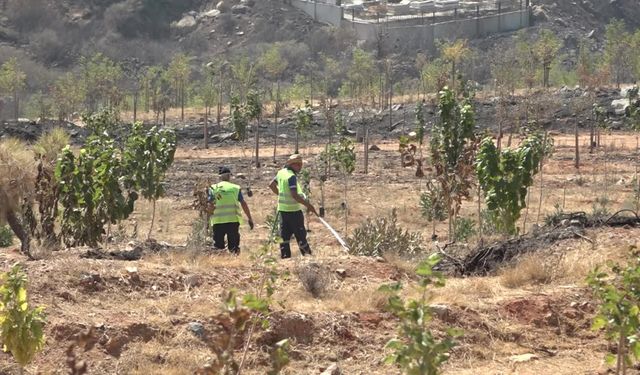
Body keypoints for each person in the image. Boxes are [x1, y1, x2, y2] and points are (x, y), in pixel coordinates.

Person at [269, 154, 318, 259]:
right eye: (299, 165)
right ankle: (308, 257)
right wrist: (309, 205)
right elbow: (294, 195)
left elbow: (271, 185)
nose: (300, 167)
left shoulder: (281, 173)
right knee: (300, 236)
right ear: (293, 164)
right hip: (294, 213)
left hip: (282, 211)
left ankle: (285, 259)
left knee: (284, 237)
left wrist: (280, 194)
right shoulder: (291, 176)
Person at [208, 166, 254, 255]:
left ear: (219, 177)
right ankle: (234, 261)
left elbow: (209, 204)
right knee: (234, 247)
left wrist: (207, 220)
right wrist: (250, 218)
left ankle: (220, 263)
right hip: (233, 220)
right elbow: (243, 203)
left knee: (218, 247)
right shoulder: (235, 188)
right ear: (229, 176)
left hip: (218, 221)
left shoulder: (213, 188)